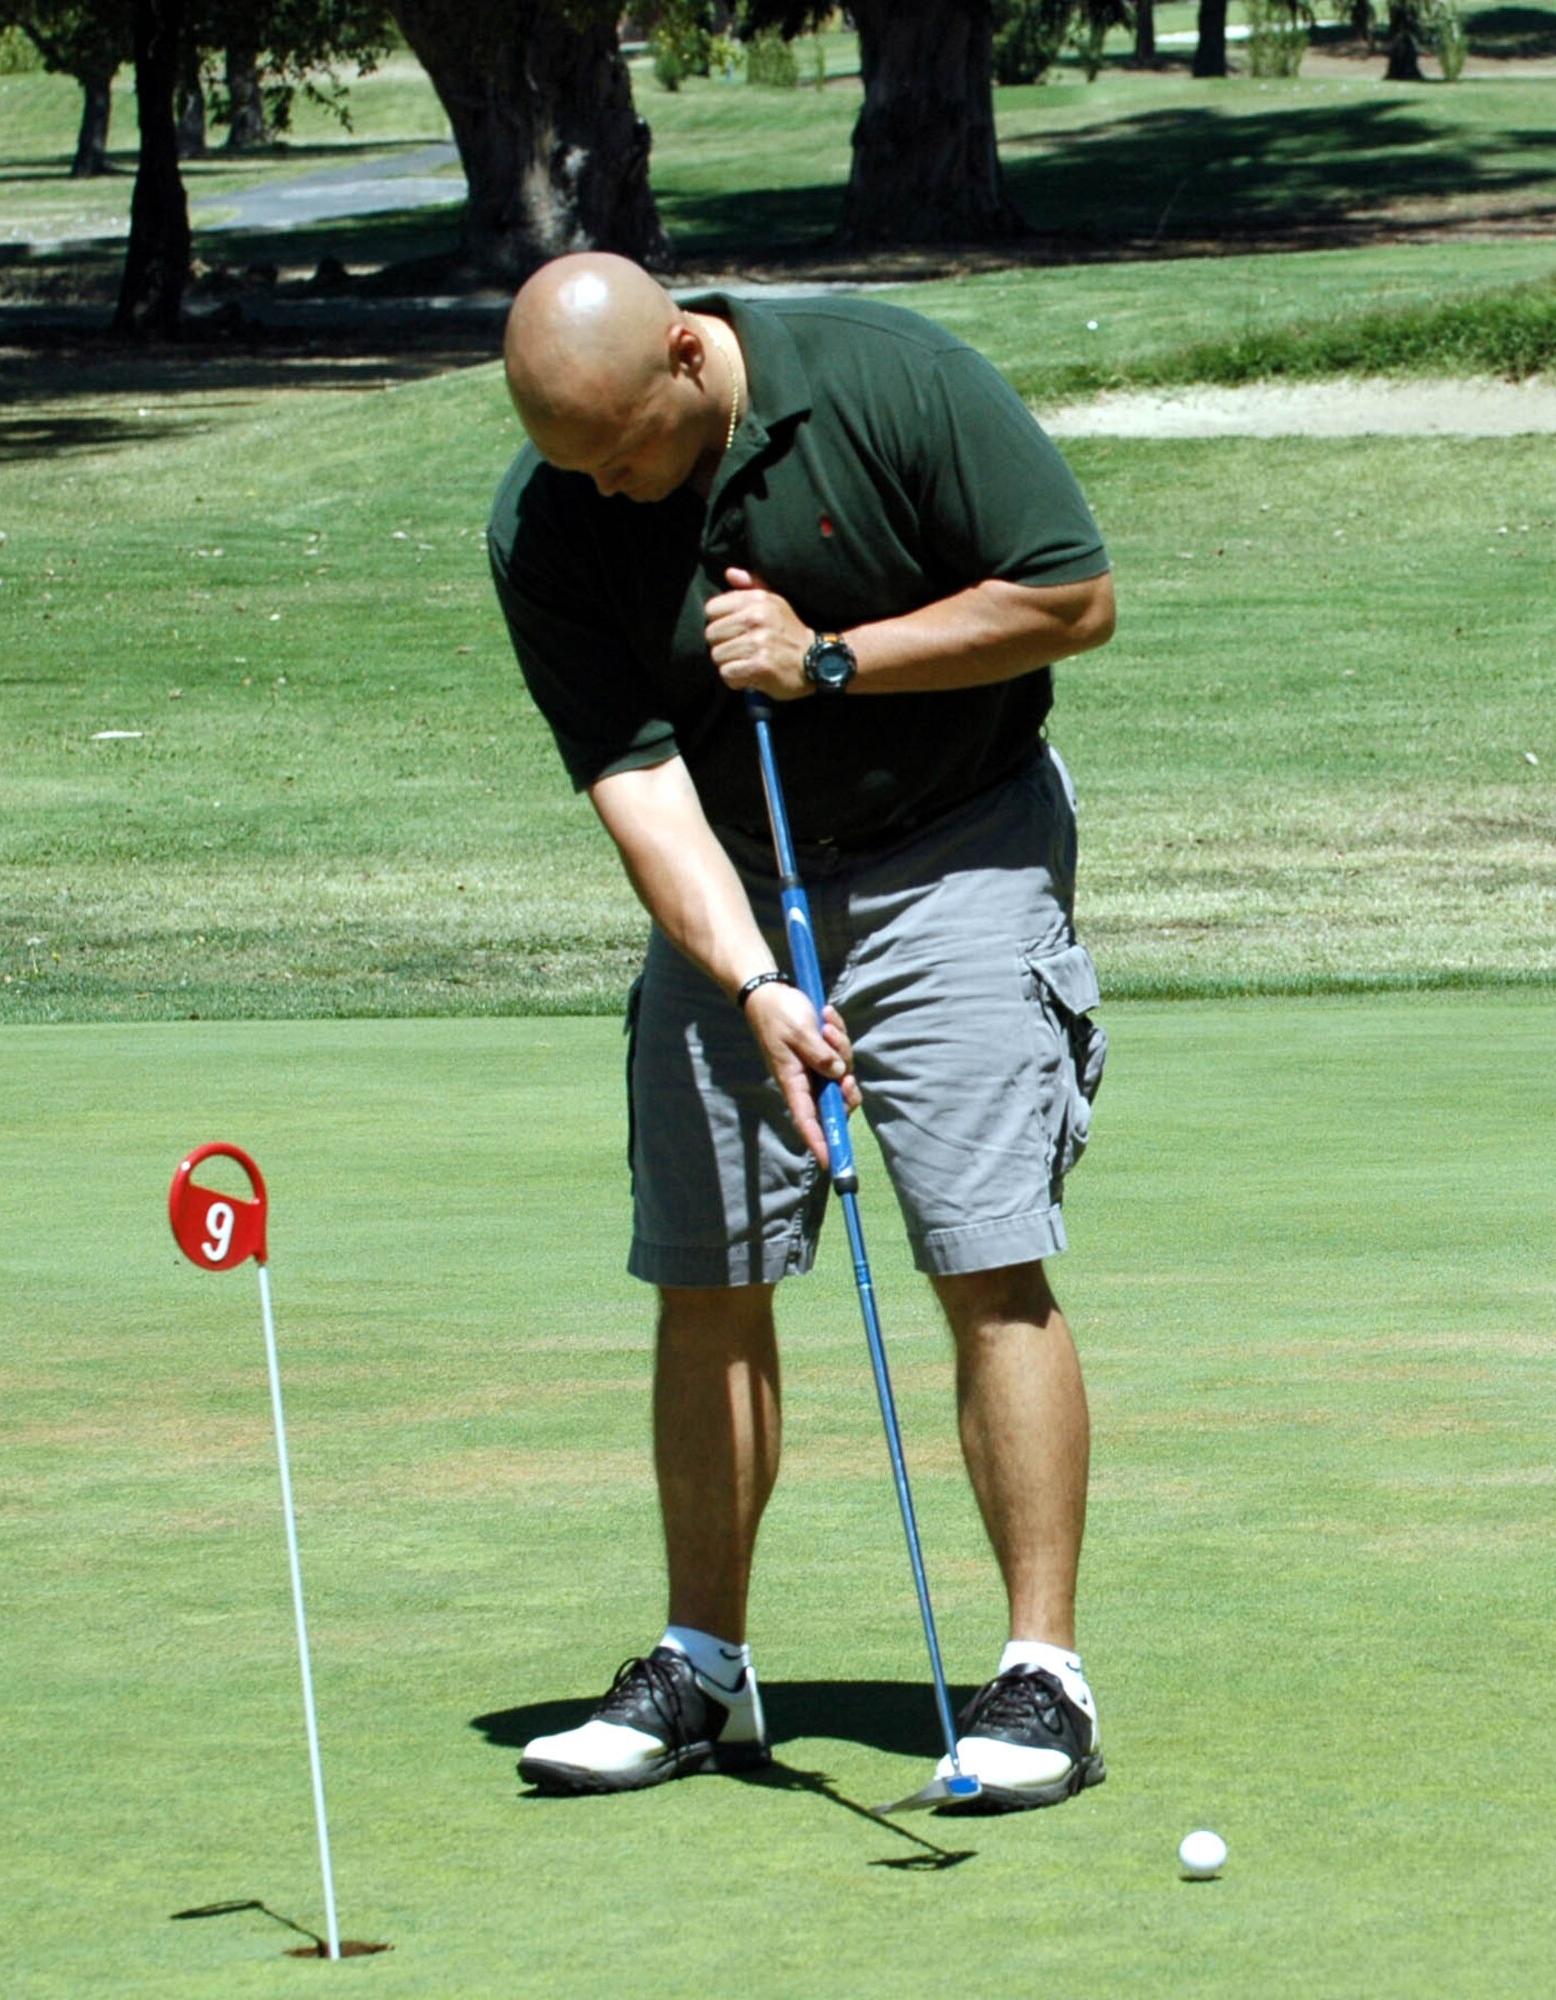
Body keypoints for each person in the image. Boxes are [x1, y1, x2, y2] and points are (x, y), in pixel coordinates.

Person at [488, 253, 1115, 1813]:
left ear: (689, 358)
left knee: (984, 1247)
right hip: (738, 883)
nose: (611, 491)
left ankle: (1042, 1674)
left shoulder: (890, 378)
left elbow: (1070, 599)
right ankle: (702, 1662)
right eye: (577, 465)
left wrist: (832, 660)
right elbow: (635, 781)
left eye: (625, 452)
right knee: (706, 1270)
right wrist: (751, 978)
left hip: (952, 844)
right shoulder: (550, 511)